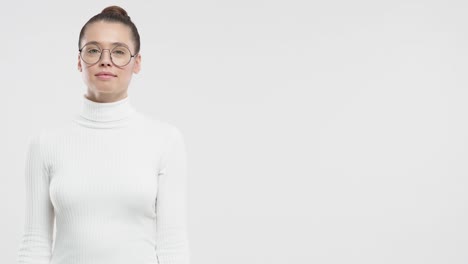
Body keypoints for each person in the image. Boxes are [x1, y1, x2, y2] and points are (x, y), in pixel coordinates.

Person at [16, 5, 191, 264]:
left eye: (119, 52)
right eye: (94, 50)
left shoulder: (165, 140)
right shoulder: (45, 144)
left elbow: (172, 246)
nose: (105, 60)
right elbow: (35, 243)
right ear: (79, 60)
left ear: (137, 63)